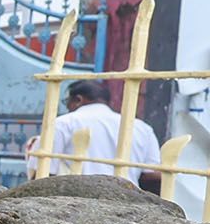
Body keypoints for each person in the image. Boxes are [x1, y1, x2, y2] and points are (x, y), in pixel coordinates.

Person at [32, 79, 161, 187]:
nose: (67, 108)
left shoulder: (64, 123)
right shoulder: (141, 128)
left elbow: (42, 172)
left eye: (67, 103)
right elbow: (150, 176)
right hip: (128, 201)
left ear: (78, 100)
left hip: (77, 199)